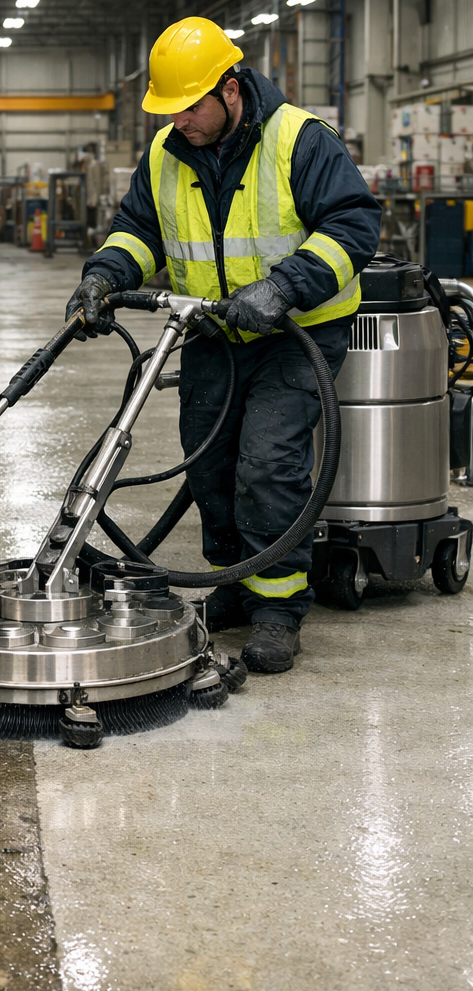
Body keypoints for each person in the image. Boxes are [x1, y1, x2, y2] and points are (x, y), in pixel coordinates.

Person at [67, 16, 381, 673]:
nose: (178, 120)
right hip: (211, 330)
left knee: (267, 464)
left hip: (295, 334)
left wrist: (284, 287)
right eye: (170, 109)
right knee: (209, 464)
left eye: (188, 107)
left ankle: (278, 609)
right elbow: (139, 229)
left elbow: (354, 223)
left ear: (230, 88)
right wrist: (104, 275)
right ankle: (233, 586)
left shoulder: (299, 139)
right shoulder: (164, 153)